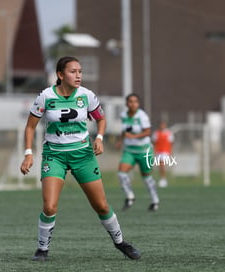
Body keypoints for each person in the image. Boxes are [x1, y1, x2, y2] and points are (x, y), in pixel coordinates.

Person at [20, 56, 141, 261]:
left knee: (101, 206)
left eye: (80, 71)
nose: (78, 75)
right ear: (60, 75)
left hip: (83, 155)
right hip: (55, 155)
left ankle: (121, 243)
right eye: (73, 71)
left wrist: (100, 138)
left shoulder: (87, 96)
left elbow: (101, 119)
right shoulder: (46, 96)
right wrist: (28, 154)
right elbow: (30, 126)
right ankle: (42, 249)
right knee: (49, 206)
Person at [116, 93, 160, 211]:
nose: (133, 104)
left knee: (146, 177)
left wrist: (134, 137)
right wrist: (120, 140)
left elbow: (147, 132)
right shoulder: (124, 115)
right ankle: (130, 196)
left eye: (135, 101)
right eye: (130, 101)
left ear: (138, 104)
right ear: (126, 103)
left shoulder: (142, 116)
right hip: (129, 151)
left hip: (144, 150)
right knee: (121, 173)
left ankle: (155, 200)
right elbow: (124, 131)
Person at [152, 120, 174, 187]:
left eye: (163, 124)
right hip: (158, 151)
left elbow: (171, 143)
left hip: (165, 151)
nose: (162, 126)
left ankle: (163, 179)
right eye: (161, 124)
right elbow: (154, 142)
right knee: (160, 166)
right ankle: (162, 178)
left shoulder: (168, 133)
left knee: (162, 164)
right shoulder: (156, 133)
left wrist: (170, 152)